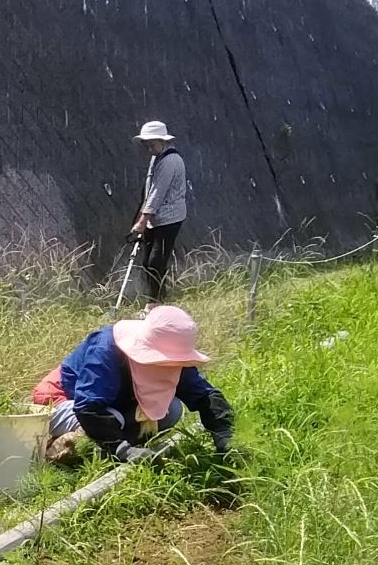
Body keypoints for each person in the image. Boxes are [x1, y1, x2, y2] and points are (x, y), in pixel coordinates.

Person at [38, 304, 234, 465]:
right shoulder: (107, 350)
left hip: (110, 402)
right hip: (61, 400)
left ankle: (111, 447)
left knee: (172, 409)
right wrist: (124, 451)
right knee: (113, 418)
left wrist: (226, 436)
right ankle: (62, 450)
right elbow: (89, 407)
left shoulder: (174, 358)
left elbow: (204, 395)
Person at [129, 119, 189, 301]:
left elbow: (158, 192)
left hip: (169, 219)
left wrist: (142, 222)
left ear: (163, 141)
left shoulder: (170, 161)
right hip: (154, 218)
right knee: (148, 262)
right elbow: (148, 190)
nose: (149, 149)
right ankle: (159, 298)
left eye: (151, 144)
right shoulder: (157, 158)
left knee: (155, 261)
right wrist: (141, 218)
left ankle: (153, 304)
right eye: (146, 145)